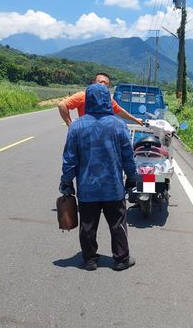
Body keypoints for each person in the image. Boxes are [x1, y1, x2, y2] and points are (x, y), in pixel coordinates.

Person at [59, 83, 138, 272]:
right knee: (117, 224)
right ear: (107, 100)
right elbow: (128, 156)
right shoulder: (118, 125)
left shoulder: (76, 126)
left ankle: (90, 260)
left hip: (87, 188)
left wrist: (66, 182)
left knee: (87, 226)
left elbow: (69, 158)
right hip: (113, 187)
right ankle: (121, 259)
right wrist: (132, 178)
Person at [58, 72, 143, 126]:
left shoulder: (108, 100)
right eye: (100, 82)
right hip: (84, 131)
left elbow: (120, 111)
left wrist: (135, 120)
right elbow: (62, 105)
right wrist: (70, 125)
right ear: (93, 82)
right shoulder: (82, 96)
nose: (103, 84)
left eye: (106, 83)